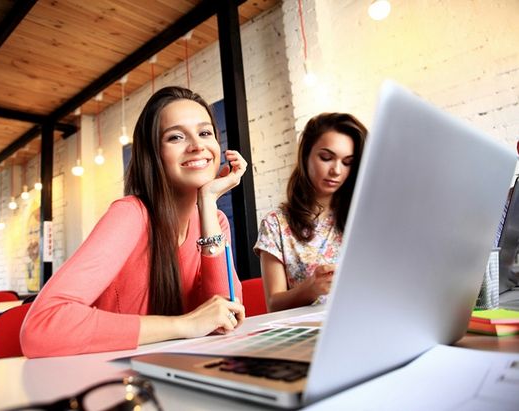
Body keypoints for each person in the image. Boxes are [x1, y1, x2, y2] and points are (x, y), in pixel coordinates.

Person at [21, 86, 247, 357]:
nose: (197, 145)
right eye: (176, 137)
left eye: (205, 132)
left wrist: (208, 203)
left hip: (180, 372)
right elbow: (41, 326)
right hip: (113, 379)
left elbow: (226, 318)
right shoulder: (131, 215)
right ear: (154, 154)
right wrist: (184, 324)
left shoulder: (215, 221)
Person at [254, 113, 367, 312]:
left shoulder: (361, 217)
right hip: (307, 335)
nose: (337, 171)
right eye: (326, 158)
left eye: (347, 162)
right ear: (305, 155)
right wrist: (311, 288)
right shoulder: (276, 224)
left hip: (363, 322)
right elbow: (273, 304)